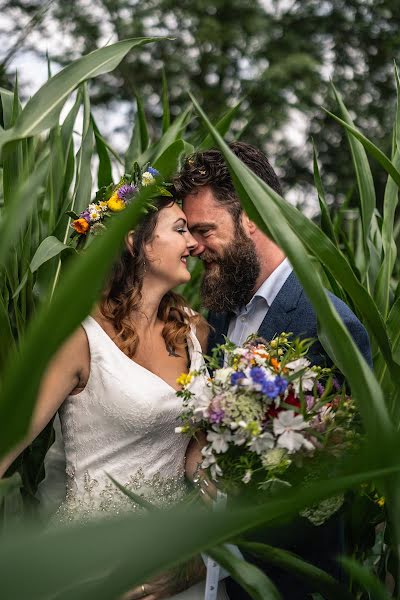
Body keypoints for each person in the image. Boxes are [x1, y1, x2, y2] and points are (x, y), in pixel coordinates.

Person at [0, 177, 227, 600]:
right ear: (135, 244)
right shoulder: (79, 339)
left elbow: (199, 454)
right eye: (179, 229)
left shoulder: (195, 331)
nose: (193, 244)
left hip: (171, 565)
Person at [173, 142, 372, 600]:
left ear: (253, 216)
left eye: (204, 230)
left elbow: (330, 486)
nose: (194, 246)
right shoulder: (221, 310)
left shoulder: (331, 327)